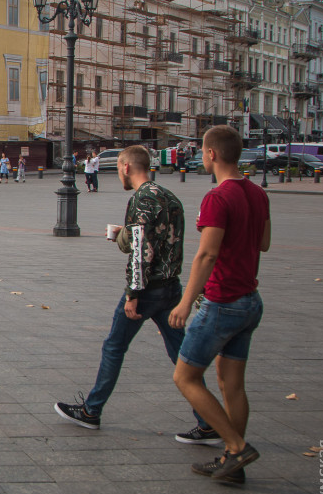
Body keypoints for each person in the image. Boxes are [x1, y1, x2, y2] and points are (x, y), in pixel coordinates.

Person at [55, 145, 213, 441]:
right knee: (181, 354)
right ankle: (208, 419)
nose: (119, 175)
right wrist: (126, 234)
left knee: (114, 346)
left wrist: (132, 293)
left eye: (118, 169)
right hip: (171, 287)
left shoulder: (141, 199)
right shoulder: (170, 197)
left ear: (126, 167)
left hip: (148, 289)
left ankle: (92, 410)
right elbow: (168, 242)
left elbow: (140, 250)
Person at [170, 125, 270, 484]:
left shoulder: (217, 197)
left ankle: (236, 446)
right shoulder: (258, 194)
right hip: (249, 301)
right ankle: (232, 462)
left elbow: (207, 254)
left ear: (211, 154)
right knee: (232, 385)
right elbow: (265, 244)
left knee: (185, 376)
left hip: (222, 301)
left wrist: (184, 302)